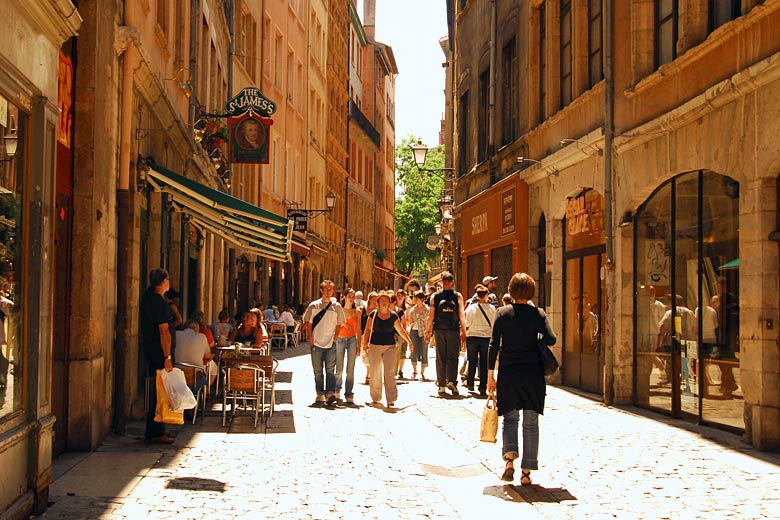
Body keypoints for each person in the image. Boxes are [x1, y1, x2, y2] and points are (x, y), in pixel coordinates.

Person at [487, 272, 556, 485]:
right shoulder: (539, 314)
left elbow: (493, 344)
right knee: (531, 423)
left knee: (510, 418)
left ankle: (509, 460)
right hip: (533, 374)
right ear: (531, 291)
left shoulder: (502, 313)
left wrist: (491, 375)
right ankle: (526, 471)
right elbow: (552, 339)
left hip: (509, 373)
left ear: (511, 290)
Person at [140, 268, 175, 444]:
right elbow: (164, 331)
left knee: (156, 390)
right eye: (167, 279)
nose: (169, 282)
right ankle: (156, 430)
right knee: (159, 392)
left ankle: (155, 428)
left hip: (149, 350)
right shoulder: (159, 303)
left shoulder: (147, 299)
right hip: (158, 353)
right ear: (162, 282)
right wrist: (167, 356)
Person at [363, 290, 414, 407]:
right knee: (375, 372)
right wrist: (365, 344)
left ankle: (391, 398)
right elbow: (367, 330)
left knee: (389, 372)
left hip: (390, 346)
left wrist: (409, 342)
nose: (385, 302)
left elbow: (400, 330)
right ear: (378, 303)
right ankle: (376, 397)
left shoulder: (393, 316)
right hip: (375, 345)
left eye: (387, 300)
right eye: (382, 300)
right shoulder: (373, 314)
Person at [302, 280, 345, 406]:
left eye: (330, 289)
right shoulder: (314, 306)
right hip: (316, 342)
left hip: (330, 342)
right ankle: (320, 393)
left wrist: (335, 338)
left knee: (330, 370)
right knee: (318, 370)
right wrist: (310, 337)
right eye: (325, 289)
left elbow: (339, 324)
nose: (328, 292)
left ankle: (330, 393)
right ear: (321, 290)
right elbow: (308, 323)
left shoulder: (336, 307)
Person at [424, 271, 467, 396]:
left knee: (440, 357)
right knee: (453, 357)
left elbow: (431, 316)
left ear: (442, 282)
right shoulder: (458, 296)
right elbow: (461, 315)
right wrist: (464, 331)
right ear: (452, 282)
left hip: (439, 330)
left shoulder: (435, 297)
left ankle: (441, 385)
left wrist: (428, 332)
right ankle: (452, 382)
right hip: (453, 329)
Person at [464, 284, 496, 397]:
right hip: (486, 337)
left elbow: (467, 323)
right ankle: (482, 387)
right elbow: (493, 325)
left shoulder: (471, 308)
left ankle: (470, 383)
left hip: (472, 336)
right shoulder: (492, 309)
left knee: (472, 361)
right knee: (484, 362)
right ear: (487, 295)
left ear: (477, 295)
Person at [335, 289, 361, 404]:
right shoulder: (338, 310)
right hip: (340, 339)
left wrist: (360, 344)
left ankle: (349, 393)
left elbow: (359, 328)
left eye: (353, 296)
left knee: (350, 369)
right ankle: (337, 390)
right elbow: (335, 324)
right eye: (349, 296)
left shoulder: (357, 311)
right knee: (339, 368)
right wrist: (345, 324)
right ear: (344, 297)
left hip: (352, 340)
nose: (351, 298)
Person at [176, 319, 217, 390]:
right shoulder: (202, 337)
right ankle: (206, 391)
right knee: (213, 368)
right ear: (195, 328)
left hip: (177, 375)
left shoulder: (176, 334)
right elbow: (207, 356)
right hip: (194, 377)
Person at [406, 290, 430, 380]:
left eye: (416, 298)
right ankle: (415, 371)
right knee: (413, 351)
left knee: (424, 351)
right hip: (414, 331)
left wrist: (428, 332)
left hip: (424, 331)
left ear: (421, 299)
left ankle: (422, 372)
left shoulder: (427, 309)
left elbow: (429, 321)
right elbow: (410, 321)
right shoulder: (412, 309)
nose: (414, 300)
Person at [360, 291, 379, 385]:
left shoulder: (378, 310)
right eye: (373, 298)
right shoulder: (363, 309)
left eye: (376, 299)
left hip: (375, 335)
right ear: (369, 299)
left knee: (373, 355)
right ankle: (368, 371)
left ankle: (369, 374)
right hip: (364, 335)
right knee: (365, 355)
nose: (374, 300)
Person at [394, 290, 409, 379]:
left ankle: (400, 370)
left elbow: (407, 321)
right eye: (398, 295)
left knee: (402, 352)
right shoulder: (393, 307)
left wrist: (405, 334)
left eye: (402, 295)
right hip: (394, 332)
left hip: (404, 332)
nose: (400, 297)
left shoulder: (406, 308)